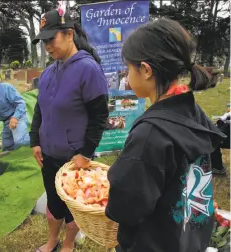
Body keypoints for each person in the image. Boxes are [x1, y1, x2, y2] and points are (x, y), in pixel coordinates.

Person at [105, 18, 226, 252]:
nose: (127, 78)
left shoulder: (151, 133)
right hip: (189, 240)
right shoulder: (194, 113)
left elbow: (125, 206)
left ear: (146, 71)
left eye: (129, 69)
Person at [30, 9, 109, 252]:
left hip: (74, 158)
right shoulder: (48, 72)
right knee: (53, 203)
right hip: (48, 155)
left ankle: (68, 244)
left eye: (51, 39)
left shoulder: (88, 69)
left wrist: (85, 153)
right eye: (44, 42)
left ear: (69, 34)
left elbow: (100, 116)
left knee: (74, 206)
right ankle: (52, 241)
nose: (47, 47)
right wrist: (35, 140)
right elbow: (40, 109)